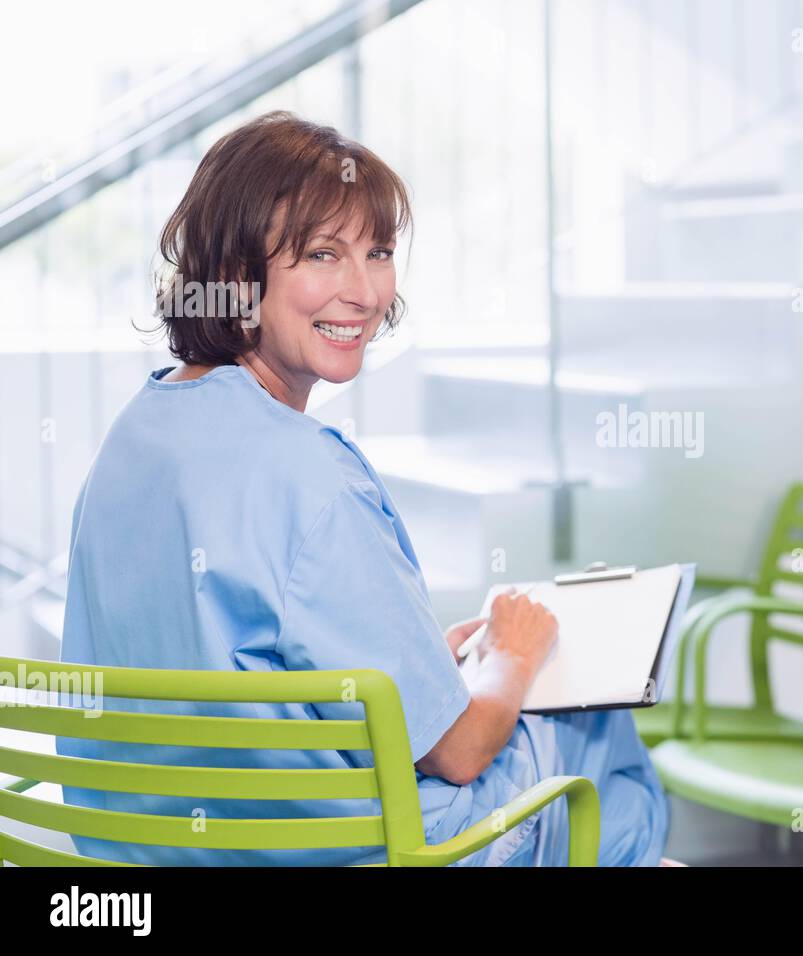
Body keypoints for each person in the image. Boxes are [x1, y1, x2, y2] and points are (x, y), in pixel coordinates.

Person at [55, 111, 671, 866]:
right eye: (322, 254)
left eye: (376, 252)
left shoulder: (132, 438)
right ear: (235, 274)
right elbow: (460, 753)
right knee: (598, 740)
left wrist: (420, 671)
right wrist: (513, 653)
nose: (363, 291)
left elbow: (228, 663)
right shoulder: (309, 474)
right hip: (349, 853)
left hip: (155, 852)